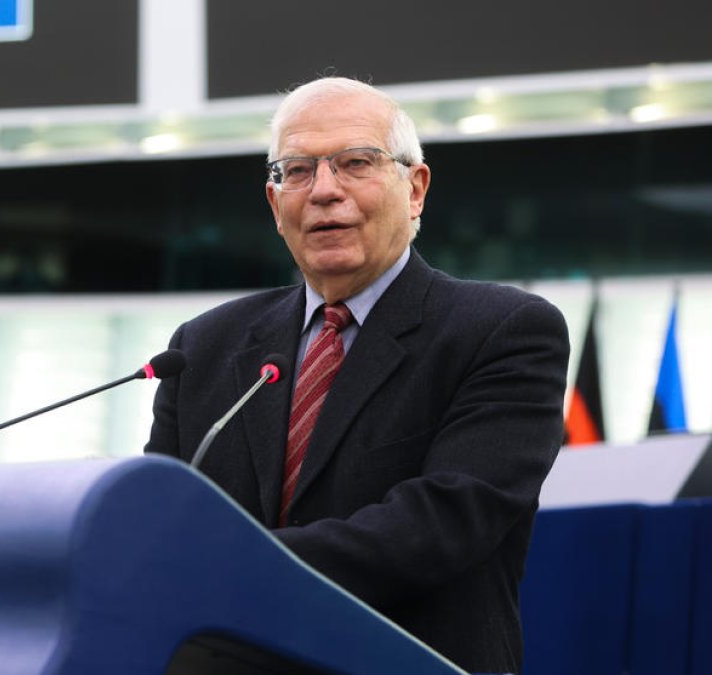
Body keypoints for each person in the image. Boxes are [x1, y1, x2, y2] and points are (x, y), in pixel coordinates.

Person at [145, 77, 569, 673]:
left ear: (415, 188)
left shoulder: (503, 331)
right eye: (296, 171)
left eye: (354, 163)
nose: (323, 191)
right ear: (275, 204)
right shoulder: (204, 346)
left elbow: (443, 522)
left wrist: (231, 562)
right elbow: (161, 515)